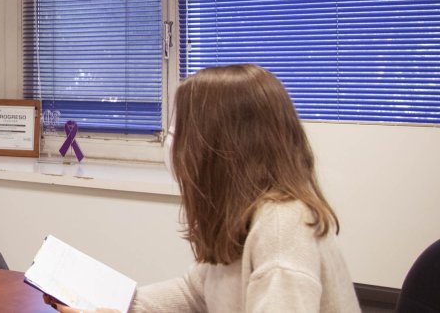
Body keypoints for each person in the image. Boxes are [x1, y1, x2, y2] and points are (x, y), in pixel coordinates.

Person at [46, 64, 359, 313]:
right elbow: (195, 294)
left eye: (178, 131)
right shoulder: (243, 212)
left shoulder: (281, 229)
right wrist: (107, 302)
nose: (171, 143)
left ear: (220, 147)